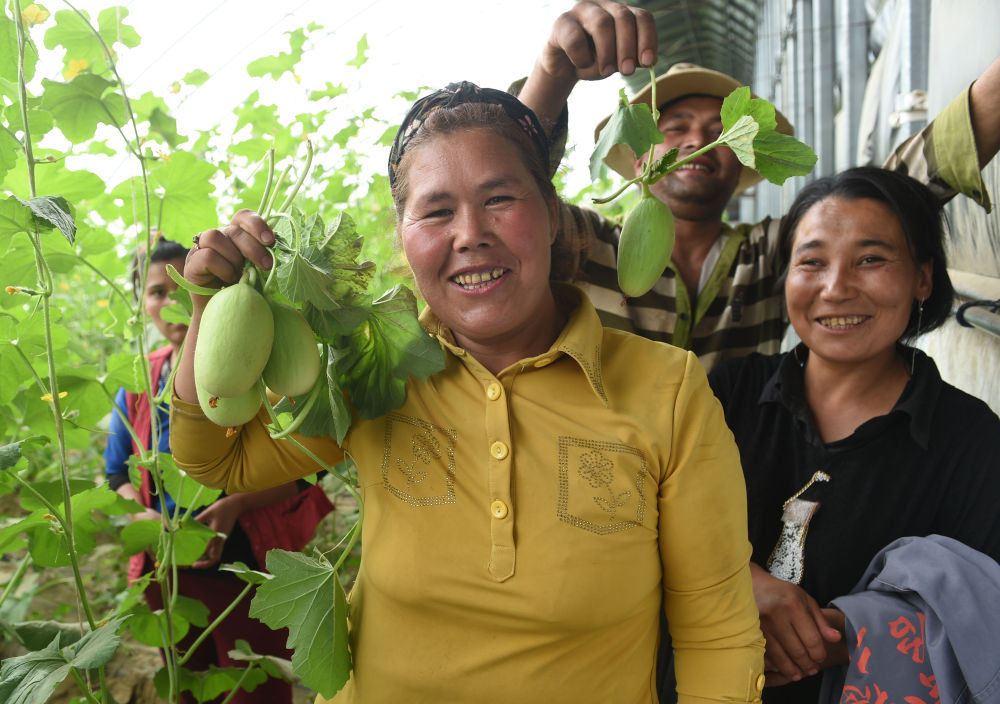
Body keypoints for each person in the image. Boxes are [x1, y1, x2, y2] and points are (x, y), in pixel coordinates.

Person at [168, 82, 767, 703]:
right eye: (435, 212)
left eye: (499, 198)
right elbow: (216, 459)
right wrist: (211, 305)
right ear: (402, 235)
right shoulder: (371, 367)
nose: (470, 233)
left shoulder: (668, 389)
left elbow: (717, 632)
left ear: (553, 214)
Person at [516, 0, 1000, 371]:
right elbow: (511, 189)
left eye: (721, 133)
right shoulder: (585, 242)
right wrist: (551, 75)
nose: (698, 142)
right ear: (639, 152)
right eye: (676, 127)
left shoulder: (770, 254)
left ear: (744, 157)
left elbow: (890, 193)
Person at [706, 167, 1000, 702]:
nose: (836, 288)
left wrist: (846, 634)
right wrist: (742, 581)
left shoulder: (973, 441)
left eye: (871, 260)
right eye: (812, 262)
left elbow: (984, 604)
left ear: (923, 279)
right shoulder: (728, 394)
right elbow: (647, 517)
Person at [104, 238, 334, 704]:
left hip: (246, 563)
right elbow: (116, 475)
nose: (170, 302)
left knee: (257, 683)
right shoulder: (137, 381)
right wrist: (144, 517)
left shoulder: (257, 358)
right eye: (157, 291)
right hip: (167, 567)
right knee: (189, 680)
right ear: (142, 303)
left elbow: (311, 466)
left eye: (180, 287)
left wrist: (235, 505)